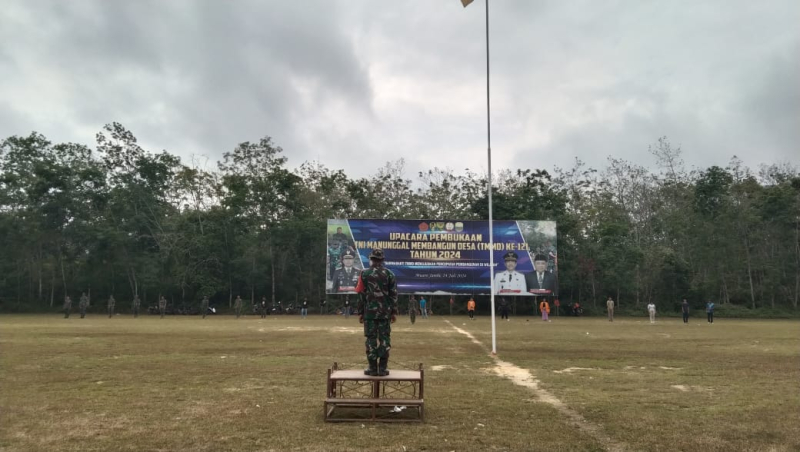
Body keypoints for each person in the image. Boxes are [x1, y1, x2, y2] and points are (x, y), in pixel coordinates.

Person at [355, 248, 397, 377]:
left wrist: (360, 312)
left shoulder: (364, 274)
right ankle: (383, 368)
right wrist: (393, 312)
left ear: (371, 259)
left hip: (369, 314)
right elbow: (393, 295)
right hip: (385, 314)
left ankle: (372, 368)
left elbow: (361, 295)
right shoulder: (390, 274)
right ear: (382, 260)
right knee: (385, 339)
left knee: (371, 340)